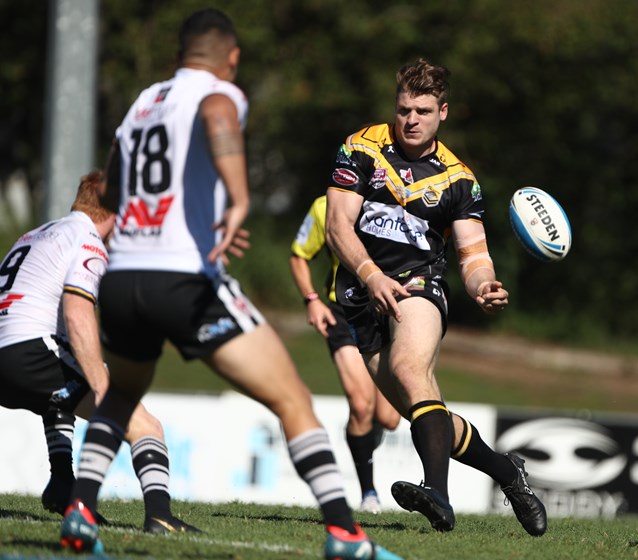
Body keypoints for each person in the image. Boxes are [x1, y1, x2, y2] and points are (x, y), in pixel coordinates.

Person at [58, 10, 401, 560]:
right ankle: (344, 532)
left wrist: (192, 216)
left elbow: (116, 188)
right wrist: (238, 199)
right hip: (183, 279)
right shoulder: (220, 91)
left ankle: (80, 508)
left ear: (178, 53)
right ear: (231, 58)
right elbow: (217, 111)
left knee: (120, 397)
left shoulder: (142, 103)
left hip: (122, 279)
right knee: (293, 399)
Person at [324, 58, 547, 536]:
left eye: (423, 110)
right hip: (359, 292)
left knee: (410, 369)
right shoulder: (360, 148)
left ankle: (437, 495)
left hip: (417, 283)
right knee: (423, 411)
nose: (411, 119)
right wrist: (368, 275)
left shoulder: (459, 179)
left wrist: (483, 286)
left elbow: (473, 255)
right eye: (404, 108)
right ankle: (509, 472)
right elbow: (336, 225)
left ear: (442, 112)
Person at [0, 170, 196, 534]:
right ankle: (160, 515)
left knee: (59, 395)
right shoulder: (88, 239)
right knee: (145, 424)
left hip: (9, 351)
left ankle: (62, 484)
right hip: (29, 352)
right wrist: (104, 386)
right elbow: (78, 311)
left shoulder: (36, 234)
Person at [289, 195, 402, 514]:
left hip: (386, 312)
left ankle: (364, 433)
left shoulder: (397, 204)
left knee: (389, 418)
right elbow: (298, 255)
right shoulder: (324, 207)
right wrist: (311, 299)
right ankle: (368, 493)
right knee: (361, 403)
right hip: (342, 312)